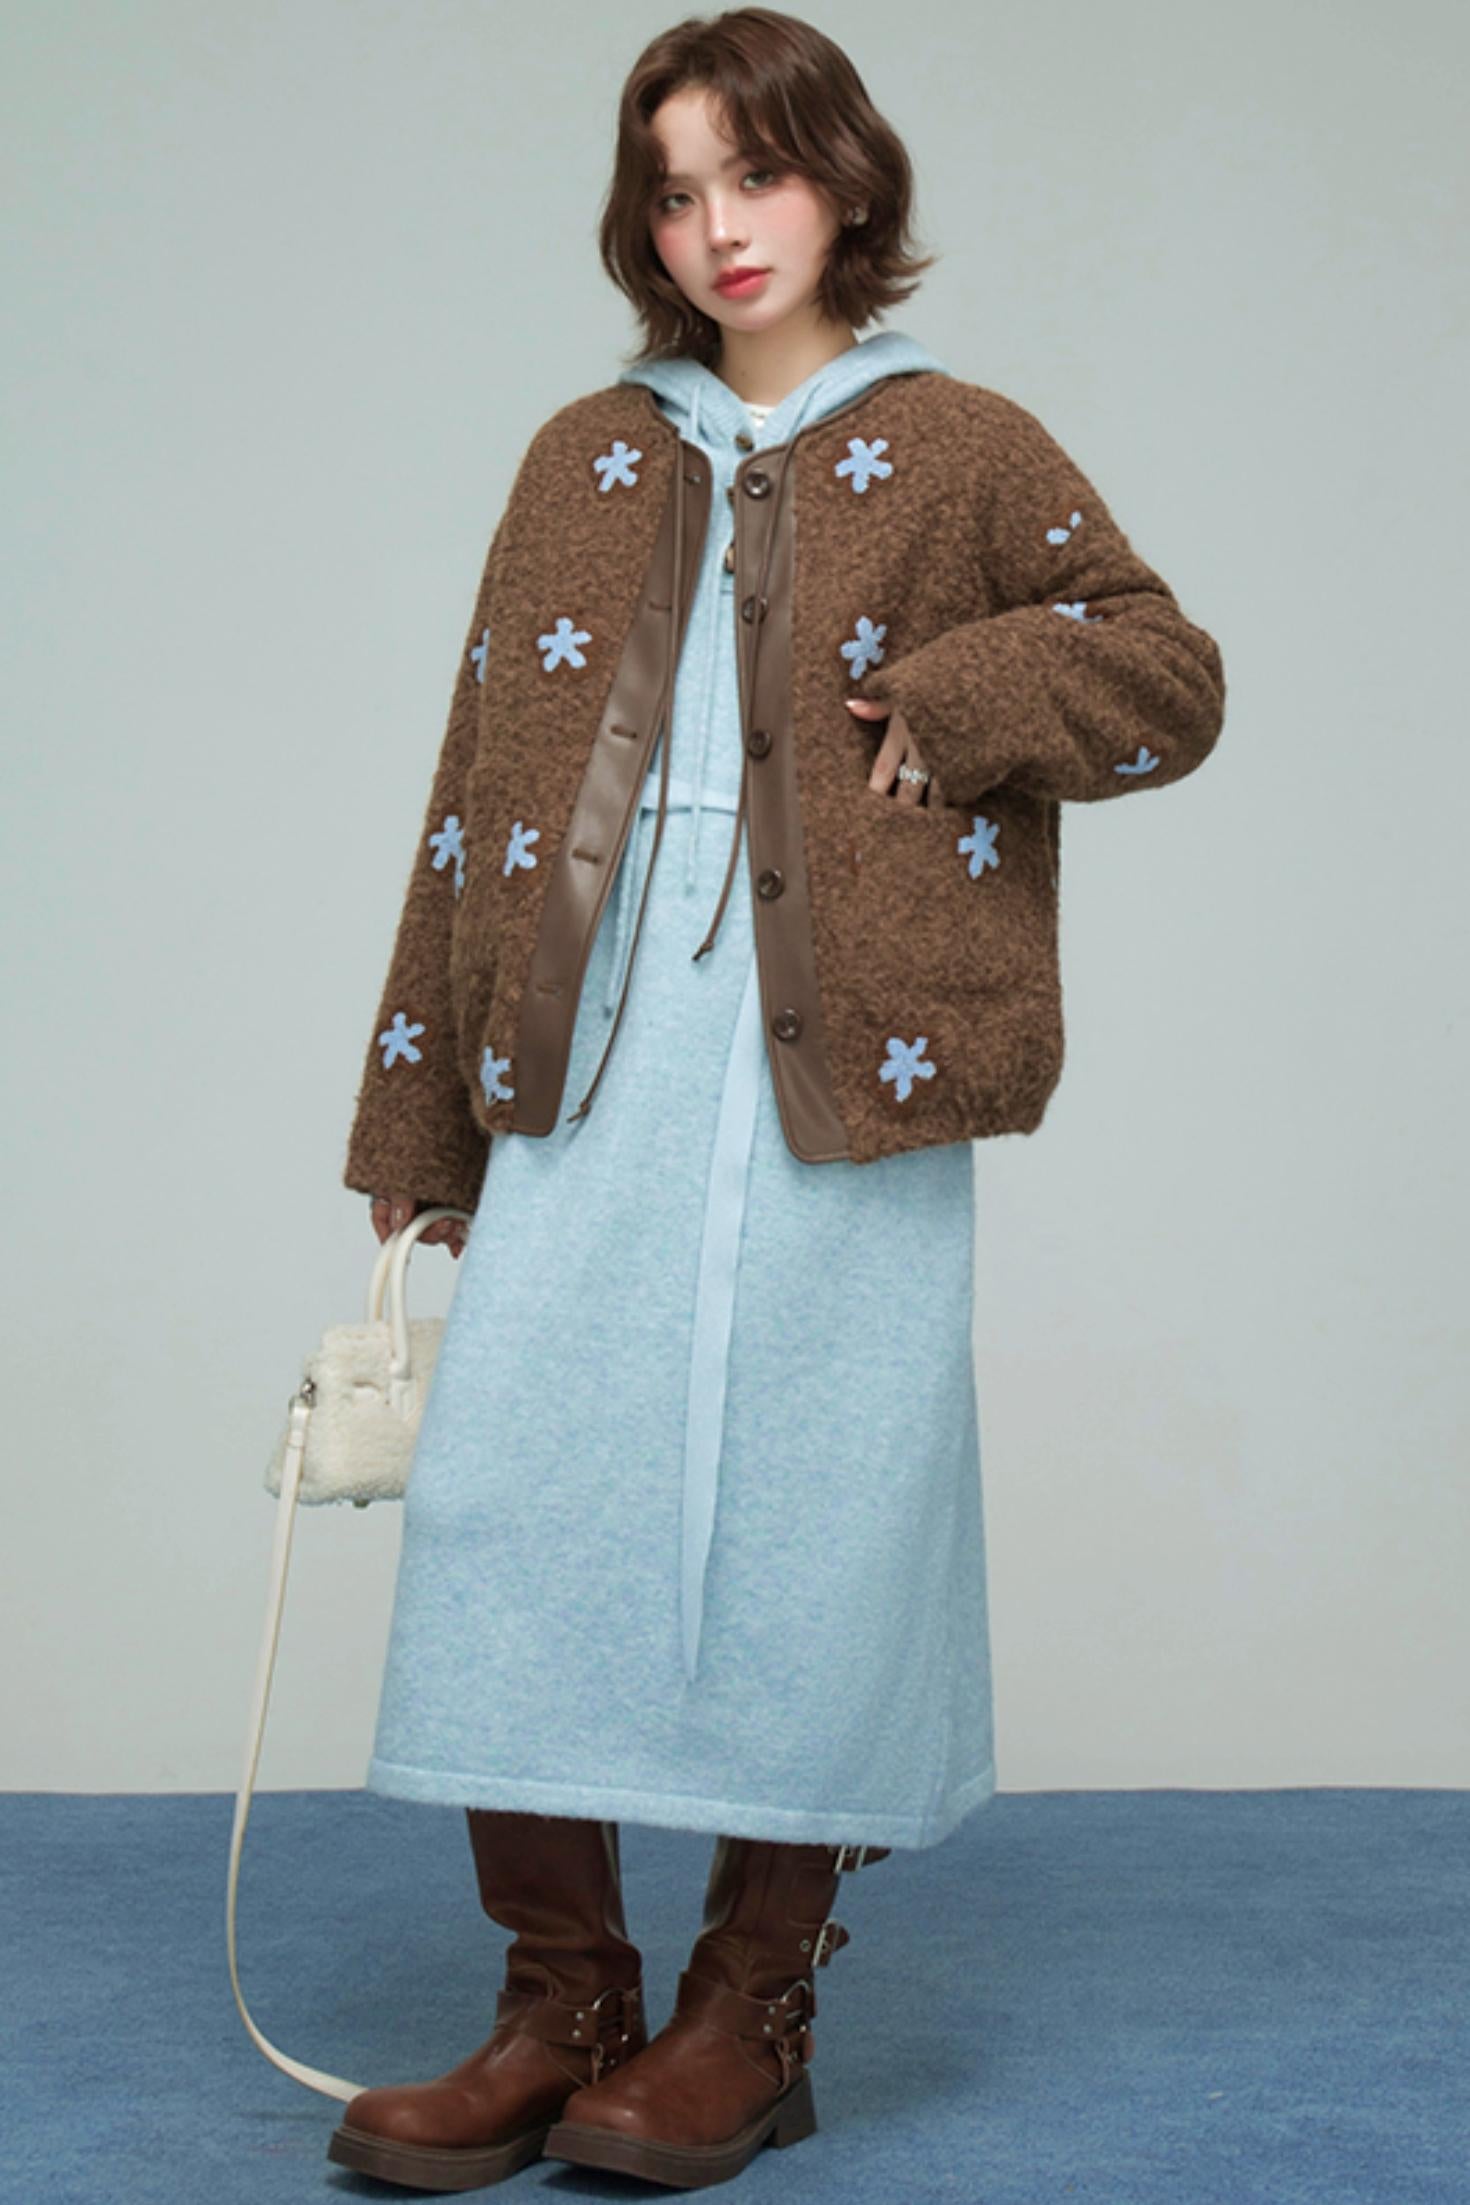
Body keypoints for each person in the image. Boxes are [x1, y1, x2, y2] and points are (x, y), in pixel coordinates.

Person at [326, 7, 1226, 2191]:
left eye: (756, 173)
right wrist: (424, 1121)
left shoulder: (965, 442)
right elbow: (472, 787)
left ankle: (751, 2007)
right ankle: (560, 1999)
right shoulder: (580, 455)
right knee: (517, 1493)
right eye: (674, 189)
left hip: (847, 1064)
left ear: (844, 182)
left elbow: (1168, 674)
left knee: (818, 1513)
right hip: (595, 1046)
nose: (718, 227)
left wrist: (965, 689)